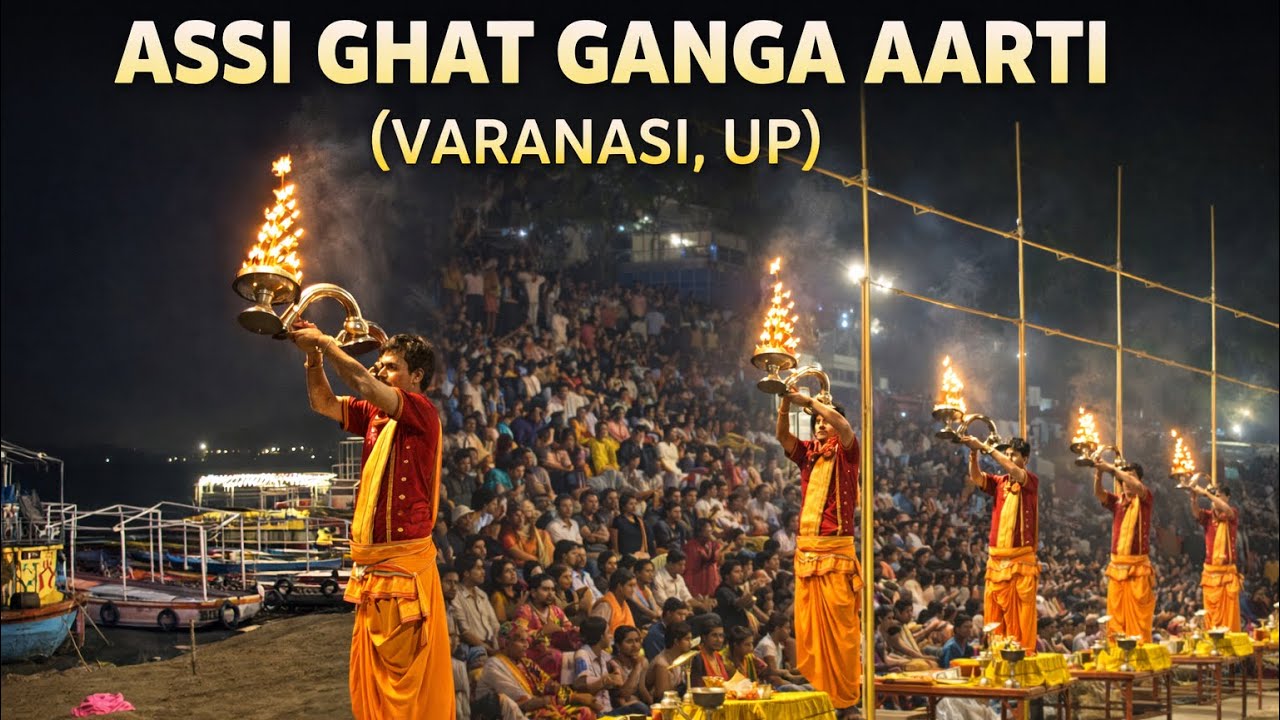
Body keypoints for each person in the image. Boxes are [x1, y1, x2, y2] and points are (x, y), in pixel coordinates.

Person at [289, 321, 454, 719]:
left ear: (416, 377)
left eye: (391, 366)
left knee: (407, 693)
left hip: (402, 571)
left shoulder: (421, 412)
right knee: (376, 691)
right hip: (373, 569)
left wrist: (327, 343)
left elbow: (361, 381)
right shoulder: (375, 416)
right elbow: (323, 403)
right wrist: (313, 359)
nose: (380, 371)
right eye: (379, 364)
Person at [777, 391, 862, 716]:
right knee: (811, 628)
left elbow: (843, 425)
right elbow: (782, 436)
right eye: (817, 422)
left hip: (836, 551)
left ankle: (847, 701)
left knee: (841, 630)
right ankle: (822, 696)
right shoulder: (808, 454)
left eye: (825, 420)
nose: (821, 425)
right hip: (808, 551)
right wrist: (785, 401)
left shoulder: (847, 451)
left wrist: (810, 402)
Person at [961, 435, 1039, 651]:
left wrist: (986, 447)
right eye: (1008, 453)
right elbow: (976, 478)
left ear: (1026, 458)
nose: (1010, 457)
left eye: (1014, 454)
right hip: (997, 559)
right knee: (995, 611)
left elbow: (1014, 471)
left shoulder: (1030, 479)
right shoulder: (999, 482)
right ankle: (996, 650)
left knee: (1022, 614)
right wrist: (974, 453)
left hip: (1020, 559)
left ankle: (1023, 653)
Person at [477, 620, 598, 719]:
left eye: (527, 640)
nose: (527, 645)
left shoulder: (526, 662)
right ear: (505, 643)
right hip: (518, 714)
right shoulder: (494, 665)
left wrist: (576, 696)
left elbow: (551, 685)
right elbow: (523, 703)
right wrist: (573, 698)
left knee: (586, 711)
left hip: (538, 708)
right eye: (521, 641)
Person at [1093, 459, 1156, 641]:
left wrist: (1112, 468)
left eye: (1132, 477)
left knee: (1139, 616)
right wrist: (1099, 473)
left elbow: (1136, 486)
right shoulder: (1117, 502)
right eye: (1124, 479)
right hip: (1117, 567)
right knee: (1116, 614)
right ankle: (1117, 650)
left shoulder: (1145, 498)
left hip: (1138, 567)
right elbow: (1098, 493)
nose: (1127, 482)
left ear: (1139, 481)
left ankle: (1140, 649)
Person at [1190, 483, 1242, 631]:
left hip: (1227, 573)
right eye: (1215, 497)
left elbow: (1225, 509)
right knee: (1210, 614)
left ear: (1228, 497)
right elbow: (1196, 513)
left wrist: (1207, 494)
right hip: (1210, 573)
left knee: (1229, 615)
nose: (1215, 500)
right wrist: (1193, 499)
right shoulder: (1208, 516)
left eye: (1219, 496)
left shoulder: (1231, 513)